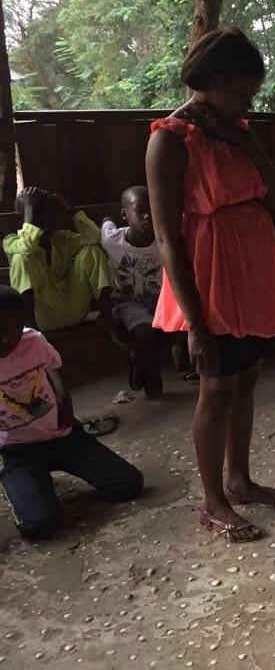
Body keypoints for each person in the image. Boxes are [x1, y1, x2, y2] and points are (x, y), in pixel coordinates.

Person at [146, 28, 275, 543]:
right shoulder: (168, 138)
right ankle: (212, 501)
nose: (245, 102)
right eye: (239, 92)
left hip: (252, 270)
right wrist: (194, 321)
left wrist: (242, 136)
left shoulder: (238, 132)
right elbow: (166, 236)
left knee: (247, 377)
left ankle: (239, 480)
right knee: (216, 387)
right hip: (210, 277)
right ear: (209, 82)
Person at [0, 286, 143, 540]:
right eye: (0, 331)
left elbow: (52, 367)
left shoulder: (32, 340)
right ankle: (25, 482)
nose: (7, 339)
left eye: (15, 330)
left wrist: (65, 403)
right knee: (39, 526)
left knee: (129, 484)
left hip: (63, 435)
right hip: (16, 449)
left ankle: (42, 477)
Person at [101, 186, 195, 398]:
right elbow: (105, 222)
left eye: (152, 209)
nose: (148, 215)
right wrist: (106, 217)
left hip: (161, 298)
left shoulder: (164, 241)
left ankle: (154, 359)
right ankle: (152, 373)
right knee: (143, 330)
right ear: (125, 215)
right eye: (140, 210)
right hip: (129, 301)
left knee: (181, 316)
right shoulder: (112, 240)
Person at [4, 187, 114, 332]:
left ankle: (107, 316)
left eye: (49, 217)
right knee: (20, 260)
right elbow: (27, 247)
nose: (46, 224)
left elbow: (94, 236)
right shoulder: (11, 242)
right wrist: (28, 208)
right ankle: (30, 331)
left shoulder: (62, 239)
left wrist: (71, 211)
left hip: (75, 309)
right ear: (22, 220)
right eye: (38, 218)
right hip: (43, 319)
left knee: (92, 250)